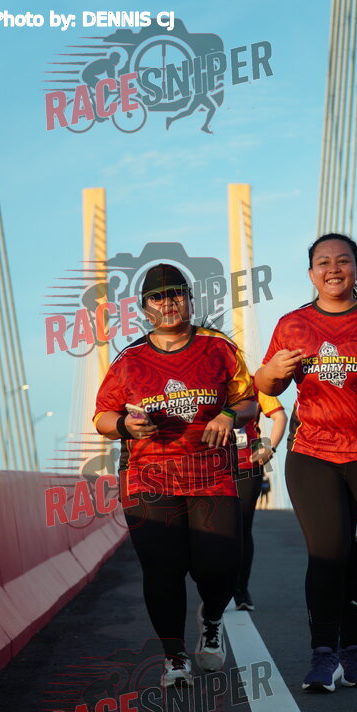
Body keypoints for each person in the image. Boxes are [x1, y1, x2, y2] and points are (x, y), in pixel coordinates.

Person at [255, 233, 357, 692]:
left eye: (342, 261)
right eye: (323, 262)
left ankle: (353, 649)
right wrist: (273, 372)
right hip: (313, 457)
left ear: (356, 270)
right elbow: (265, 383)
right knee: (329, 553)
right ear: (311, 274)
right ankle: (324, 654)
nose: (333, 269)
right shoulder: (292, 325)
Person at [94, 263, 256, 688]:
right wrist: (126, 425)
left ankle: (212, 618)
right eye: (158, 297)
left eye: (176, 294)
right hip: (148, 479)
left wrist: (228, 414)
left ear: (190, 299)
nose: (168, 303)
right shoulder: (129, 361)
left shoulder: (220, 348)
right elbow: (102, 417)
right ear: (144, 308)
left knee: (220, 567)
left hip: (211, 476)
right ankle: (174, 657)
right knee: (163, 570)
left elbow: (249, 401)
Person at [233, 390, 287, 610]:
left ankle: (241, 590)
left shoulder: (256, 385)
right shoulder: (208, 381)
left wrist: (269, 448)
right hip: (211, 466)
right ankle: (217, 588)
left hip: (248, 466)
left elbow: (280, 416)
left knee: (242, 528)